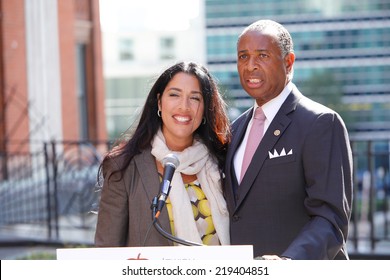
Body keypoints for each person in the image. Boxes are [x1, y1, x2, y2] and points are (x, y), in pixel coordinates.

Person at [224, 19, 353, 259]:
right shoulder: (235, 129)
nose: (250, 65)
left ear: (289, 62)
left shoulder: (321, 122)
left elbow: (330, 218)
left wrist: (288, 263)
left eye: (262, 55)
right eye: (243, 56)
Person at [95, 61, 231, 247]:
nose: (184, 106)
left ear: (206, 107)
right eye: (174, 95)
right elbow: (107, 249)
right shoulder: (123, 167)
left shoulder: (224, 160)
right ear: (159, 102)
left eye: (195, 98)